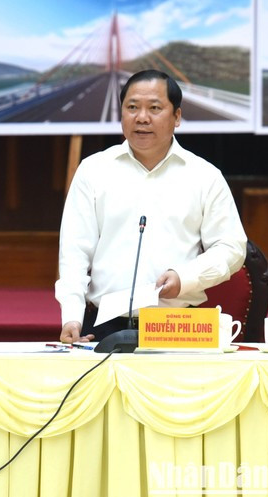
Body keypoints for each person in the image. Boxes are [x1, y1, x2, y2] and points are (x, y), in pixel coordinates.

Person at [56, 69, 247, 343]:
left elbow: (231, 248)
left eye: (154, 108)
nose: (142, 117)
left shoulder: (205, 176)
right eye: (132, 107)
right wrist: (71, 316)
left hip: (176, 326)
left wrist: (185, 277)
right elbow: (74, 252)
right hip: (102, 327)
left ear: (177, 117)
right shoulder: (93, 171)